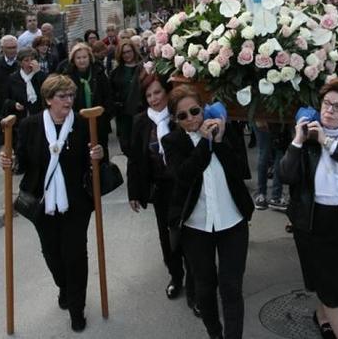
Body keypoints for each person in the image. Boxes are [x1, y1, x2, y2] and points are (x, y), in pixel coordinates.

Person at [0, 74, 104, 332]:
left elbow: (96, 162)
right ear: (48, 99)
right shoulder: (30, 126)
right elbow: (22, 163)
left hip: (75, 202)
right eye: (62, 96)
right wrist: (9, 163)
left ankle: (77, 309)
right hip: (42, 203)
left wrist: (99, 156)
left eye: (71, 95)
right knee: (52, 254)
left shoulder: (83, 124)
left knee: (76, 255)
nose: (68, 100)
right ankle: (64, 287)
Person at [278, 79, 338, 339]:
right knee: (325, 280)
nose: (330, 110)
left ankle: (325, 317)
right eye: (327, 104)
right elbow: (285, 175)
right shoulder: (305, 134)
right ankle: (331, 323)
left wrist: (327, 143)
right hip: (312, 220)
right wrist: (298, 140)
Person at [162, 86, 254, 339]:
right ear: (175, 120)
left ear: (203, 109)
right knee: (205, 287)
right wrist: (205, 142)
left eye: (195, 111)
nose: (191, 118)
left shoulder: (223, 131)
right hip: (196, 227)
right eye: (183, 116)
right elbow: (184, 175)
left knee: (232, 287)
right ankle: (215, 333)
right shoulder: (172, 142)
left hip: (233, 222)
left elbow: (239, 170)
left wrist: (220, 140)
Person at [127, 73, 197, 313]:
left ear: (167, 92)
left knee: (190, 234)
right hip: (161, 189)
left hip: (186, 185)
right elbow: (135, 159)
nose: (154, 98)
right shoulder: (141, 122)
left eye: (157, 92)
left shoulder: (181, 116)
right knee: (168, 237)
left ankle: (195, 284)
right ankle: (176, 276)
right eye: (148, 95)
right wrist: (134, 191)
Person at [63, 43, 113, 154]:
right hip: (78, 121)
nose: (82, 60)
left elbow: (107, 95)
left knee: (101, 151)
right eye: (78, 58)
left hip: (99, 120)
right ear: (73, 60)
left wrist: (106, 114)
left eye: (84, 57)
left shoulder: (99, 73)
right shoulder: (68, 76)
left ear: (89, 57)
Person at [109, 40, 143, 156]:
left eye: (129, 51)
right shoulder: (116, 73)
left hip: (141, 113)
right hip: (124, 116)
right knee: (127, 146)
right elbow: (111, 93)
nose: (127, 55)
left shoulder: (143, 68)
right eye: (124, 53)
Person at [2, 47, 45, 127]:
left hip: (40, 117)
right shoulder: (13, 79)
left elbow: (47, 91)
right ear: (20, 63)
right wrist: (14, 104)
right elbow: (6, 99)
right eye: (26, 60)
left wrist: (38, 73)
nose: (30, 63)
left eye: (32, 60)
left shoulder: (40, 76)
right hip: (21, 119)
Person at [0, 35, 19, 145]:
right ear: (2, 49)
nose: (12, 50)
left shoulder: (21, 64)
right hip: (5, 106)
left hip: (20, 105)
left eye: (14, 47)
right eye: (9, 48)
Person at [251, 119, 288, 211]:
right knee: (277, 152)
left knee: (265, 152)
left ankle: (262, 195)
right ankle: (274, 196)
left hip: (263, 115)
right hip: (275, 117)